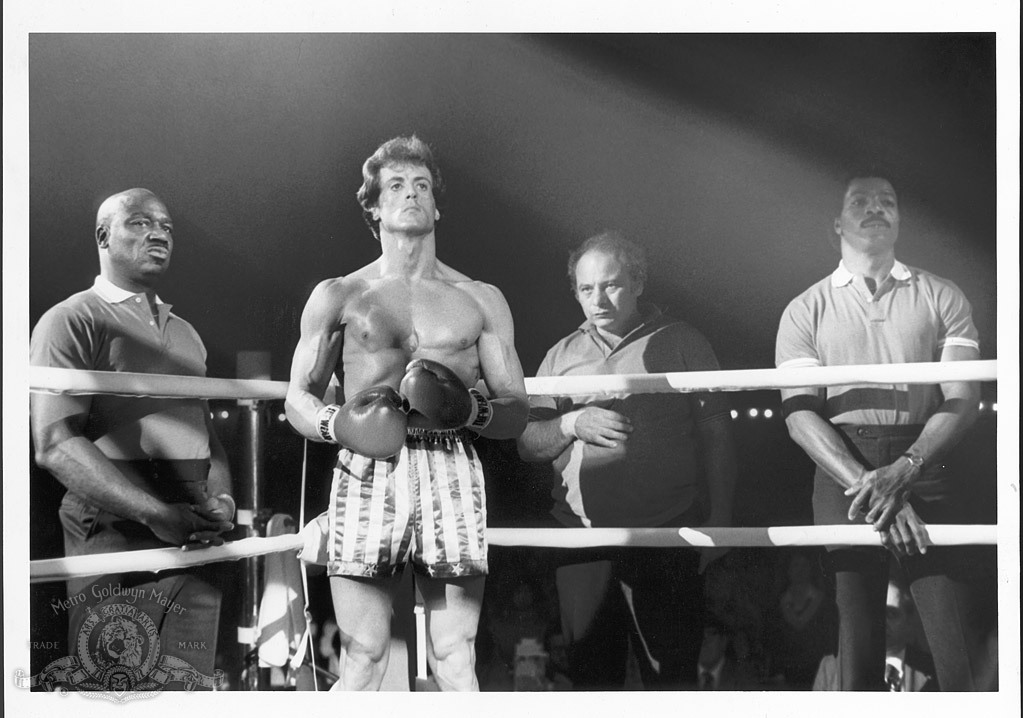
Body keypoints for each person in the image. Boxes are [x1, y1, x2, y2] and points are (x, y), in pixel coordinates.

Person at [285, 135, 528, 691]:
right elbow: (298, 398)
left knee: (455, 655)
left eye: (421, 186)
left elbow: (517, 410)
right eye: (395, 185)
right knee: (365, 655)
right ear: (373, 207)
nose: (411, 194)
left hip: (452, 465)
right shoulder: (339, 294)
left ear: (437, 206)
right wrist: (336, 424)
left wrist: (470, 408)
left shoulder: (481, 298)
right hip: (365, 466)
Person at [776, 173, 996, 690]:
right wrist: (868, 482)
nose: (875, 209)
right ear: (837, 224)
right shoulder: (804, 308)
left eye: (887, 201)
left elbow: (963, 398)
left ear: (900, 218)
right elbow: (798, 414)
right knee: (857, 644)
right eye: (860, 202)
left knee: (955, 642)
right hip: (842, 468)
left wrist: (904, 470)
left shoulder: (942, 295)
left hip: (927, 459)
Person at [30, 188, 235, 689]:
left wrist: (224, 499)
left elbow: (204, 430)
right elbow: (53, 443)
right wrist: (153, 513)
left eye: (166, 226)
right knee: (114, 688)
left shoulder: (186, 331)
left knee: (185, 686)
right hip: (114, 519)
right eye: (140, 223)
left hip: (192, 523)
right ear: (103, 235)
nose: (159, 234)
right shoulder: (71, 318)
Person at [516, 231, 737, 690]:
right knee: (592, 682)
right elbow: (528, 443)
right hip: (581, 539)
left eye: (611, 285)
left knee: (671, 683)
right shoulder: (559, 355)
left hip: (666, 534)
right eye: (586, 289)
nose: (598, 299)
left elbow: (719, 435)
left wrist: (721, 520)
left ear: (638, 282)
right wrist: (571, 423)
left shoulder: (683, 342)